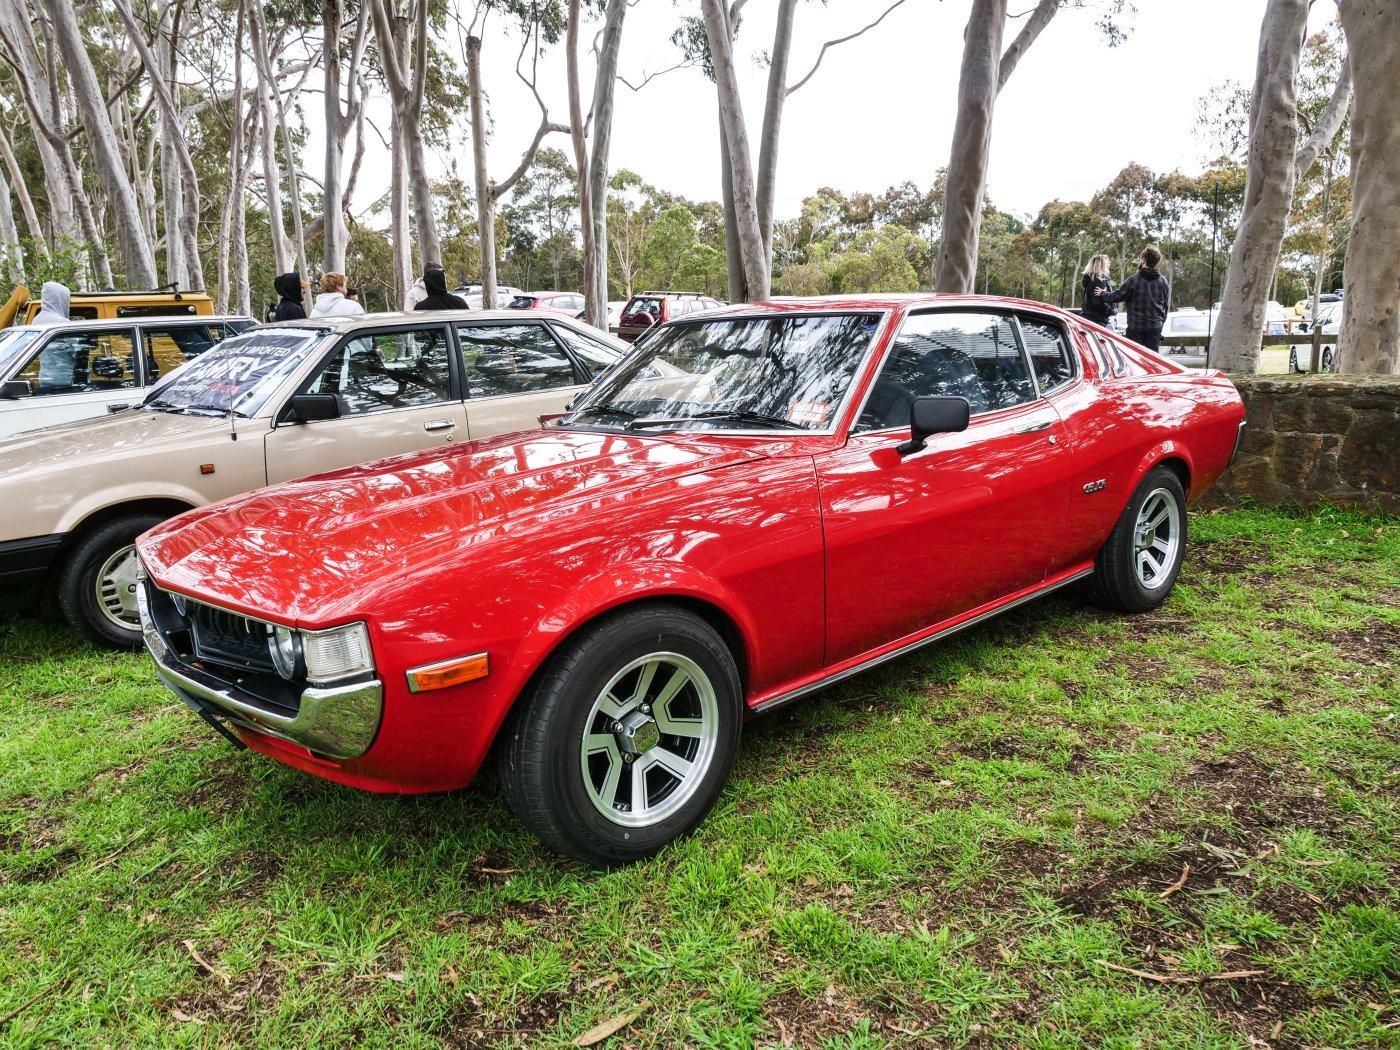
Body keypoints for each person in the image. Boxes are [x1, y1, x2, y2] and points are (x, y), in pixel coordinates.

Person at [1099, 246, 1169, 350]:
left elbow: (1117, 296)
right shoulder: (1163, 281)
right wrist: (1160, 324)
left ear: (1144, 260)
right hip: (1155, 328)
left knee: (1134, 359)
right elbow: (1165, 308)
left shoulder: (1134, 280)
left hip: (1136, 328)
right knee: (1152, 361)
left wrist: (1102, 293)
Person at [1080, 254, 1114, 326]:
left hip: (1091, 319)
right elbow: (1098, 303)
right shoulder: (1097, 281)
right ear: (1102, 266)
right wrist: (1111, 311)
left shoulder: (1092, 280)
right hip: (1096, 320)